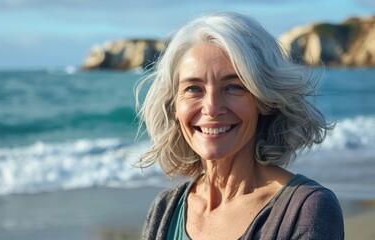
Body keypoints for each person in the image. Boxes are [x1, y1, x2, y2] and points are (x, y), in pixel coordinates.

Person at [136, 12, 344, 240]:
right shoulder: (165, 209)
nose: (212, 108)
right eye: (193, 88)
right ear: (174, 106)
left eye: (234, 87)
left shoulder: (306, 210)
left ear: (264, 100)